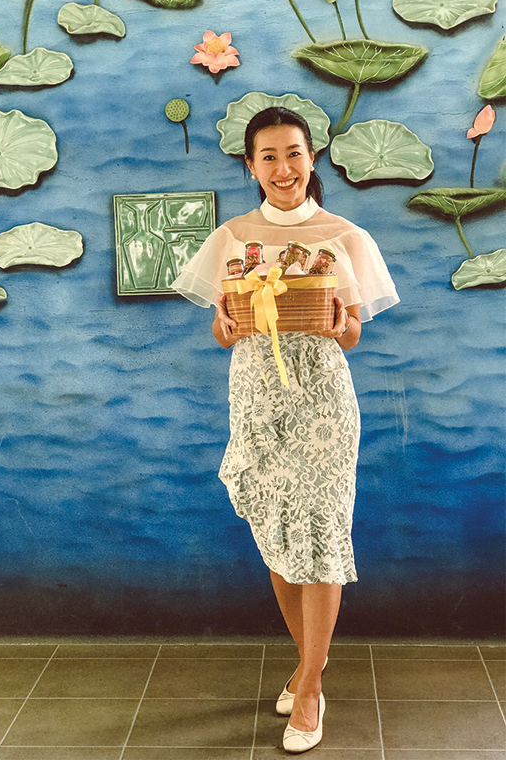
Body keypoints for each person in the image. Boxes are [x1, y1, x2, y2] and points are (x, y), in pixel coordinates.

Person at [172, 106, 399, 753]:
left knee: (320, 535)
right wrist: (226, 325)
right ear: (251, 166)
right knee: (278, 535)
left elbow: (351, 334)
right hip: (257, 402)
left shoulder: (343, 236)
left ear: (312, 158)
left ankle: (308, 689)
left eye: (293, 153)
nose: (282, 168)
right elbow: (224, 332)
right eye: (268, 156)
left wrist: (336, 323)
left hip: (323, 404)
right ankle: (308, 668)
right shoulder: (232, 238)